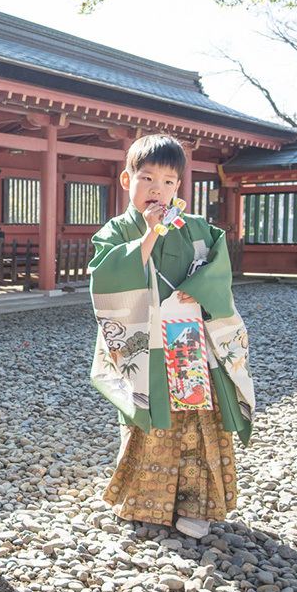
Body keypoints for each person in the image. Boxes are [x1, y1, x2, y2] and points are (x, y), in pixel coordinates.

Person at [88, 135, 255, 539]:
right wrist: (148, 235)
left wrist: (199, 285)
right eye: (147, 178)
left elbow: (219, 262)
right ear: (127, 181)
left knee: (199, 419)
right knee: (146, 418)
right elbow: (106, 278)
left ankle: (196, 505)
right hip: (141, 343)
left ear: (178, 186)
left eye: (167, 181)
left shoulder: (195, 229)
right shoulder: (117, 230)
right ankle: (143, 501)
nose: (157, 189)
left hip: (189, 342)